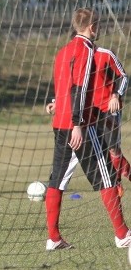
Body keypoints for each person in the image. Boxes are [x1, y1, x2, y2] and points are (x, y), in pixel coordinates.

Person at [43, 8, 131, 250]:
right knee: (107, 177)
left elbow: (64, 87)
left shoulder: (62, 51)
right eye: (98, 25)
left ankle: (54, 238)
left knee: (57, 180)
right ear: (93, 27)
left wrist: (56, 104)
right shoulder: (87, 50)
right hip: (80, 124)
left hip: (60, 124)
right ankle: (123, 235)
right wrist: (78, 125)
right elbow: (79, 91)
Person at [52, 43, 131, 194]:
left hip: (108, 109)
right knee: (98, 151)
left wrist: (116, 95)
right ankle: (115, 186)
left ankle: (117, 183)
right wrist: (56, 102)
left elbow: (123, 77)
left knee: (112, 148)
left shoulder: (105, 54)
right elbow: (70, 85)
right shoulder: (77, 57)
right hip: (86, 113)